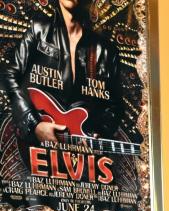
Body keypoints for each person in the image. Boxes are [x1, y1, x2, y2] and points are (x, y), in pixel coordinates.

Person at [0, 0, 123, 154]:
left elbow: (115, 105)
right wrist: (34, 125)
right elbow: (10, 76)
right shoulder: (39, 30)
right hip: (36, 150)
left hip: (81, 156)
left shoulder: (105, 50)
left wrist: (99, 132)